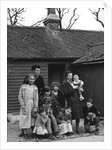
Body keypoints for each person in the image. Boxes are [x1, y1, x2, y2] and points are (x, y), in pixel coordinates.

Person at [18, 74, 38, 139]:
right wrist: (22, 105)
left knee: (32, 118)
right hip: (25, 104)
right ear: (27, 79)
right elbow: (20, 96)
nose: (32, 80)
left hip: (32, 104)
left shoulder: (35, 87)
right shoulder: (23, 87)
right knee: (24, 118)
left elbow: (36, 97)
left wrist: (35, 106)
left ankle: (32, 133)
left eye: (33, 79)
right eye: (31, 79)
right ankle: (24, 133)